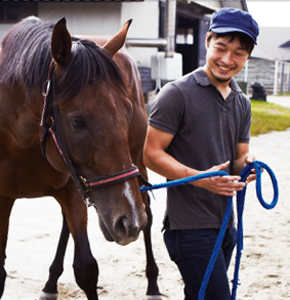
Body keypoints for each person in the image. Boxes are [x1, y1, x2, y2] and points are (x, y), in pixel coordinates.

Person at [143, 7, 259, 300]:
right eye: (221, 47)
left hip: (225, 225)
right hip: (189, 228)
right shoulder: (176, 94)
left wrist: (248, 166)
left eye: (238, 53)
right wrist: (199, 179)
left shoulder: (242, 103)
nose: (227, 59)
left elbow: (238, 158)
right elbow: (151, 153)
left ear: (247, 56)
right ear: (208, 41)